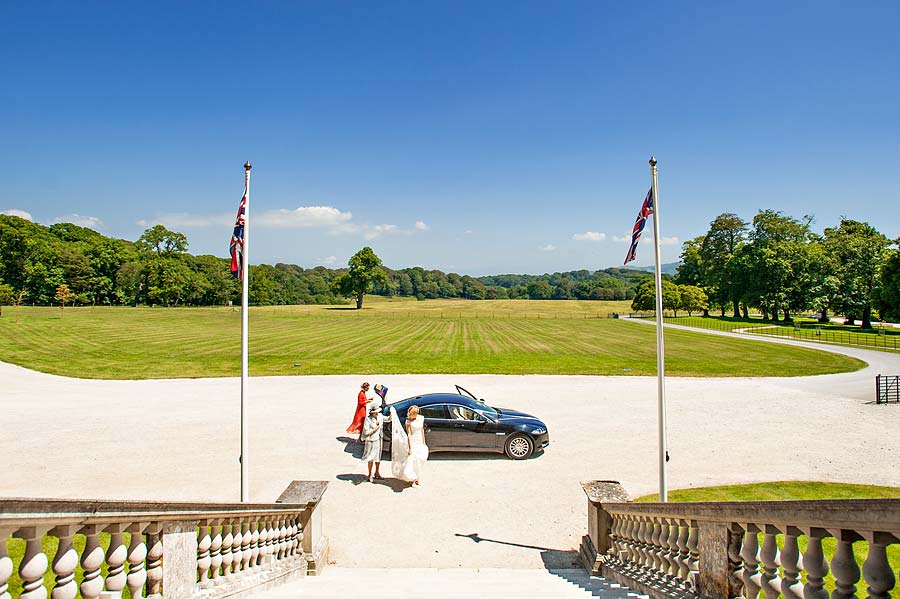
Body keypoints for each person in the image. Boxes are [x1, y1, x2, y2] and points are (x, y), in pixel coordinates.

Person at [390, 404, 429, 486]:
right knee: (414, 461)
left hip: (420, 440)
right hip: (413, 441)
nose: (409, 415)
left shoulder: (421, 418)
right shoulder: (408, 421)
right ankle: (413, 479)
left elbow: (421, 430)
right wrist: (410, 447)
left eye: (411, 414)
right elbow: (409, 434)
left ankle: (418, 477)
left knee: (420, 460)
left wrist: (424, 441)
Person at [360, 403, 384, 482]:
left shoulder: (380, 416)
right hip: (371, 440)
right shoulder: (368, 419)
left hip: (379, 438)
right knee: (371, 457)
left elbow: (387, 419)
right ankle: (370, 474)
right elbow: (366, 432)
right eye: (375, 412)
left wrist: (392, 413)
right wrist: (375, 429)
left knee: (378, 457)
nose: (377, 414)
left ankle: (377, 472)